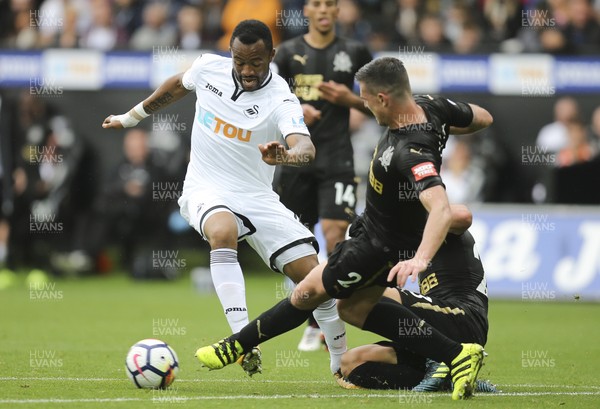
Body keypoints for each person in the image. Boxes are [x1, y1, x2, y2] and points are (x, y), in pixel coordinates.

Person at [195, 56, 494, 400]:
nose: (363, 106)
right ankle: (451, 355)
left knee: (308, 291)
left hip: (380, 245)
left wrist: (421, 260)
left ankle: (233, 347)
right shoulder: (432, 108)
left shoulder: (412, 151)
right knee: (351, 306)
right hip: (375, 234)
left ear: (384, 98)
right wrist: (439, 129)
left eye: (365, 99)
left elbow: (442, 209)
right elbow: (483, 117)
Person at [102, 19, 347, 377]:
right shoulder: (208, 68)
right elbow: (176, 85)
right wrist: (132, 116)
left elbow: (305, 147)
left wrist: (285, 156)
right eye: (240, 61)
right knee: (222, 230)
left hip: (258, 196)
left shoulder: (280, 97)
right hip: (206, 187)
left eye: (256, 62)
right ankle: (242, 341)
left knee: (313, 280)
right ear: (230, 54)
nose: (247, 70)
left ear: (271, 56)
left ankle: (341, 364)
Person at [272, 0, 372, 351]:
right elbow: (265, 103)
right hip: (297, 159)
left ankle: (319, 322)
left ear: (338, 11)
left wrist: (350, 99)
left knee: (334, 236)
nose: (324, 9)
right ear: (308, 11)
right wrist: (295, 111)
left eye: (330, 3)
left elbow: (382, 102)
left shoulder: (355, 51)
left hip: (337, 159)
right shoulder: (286, 53)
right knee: (299, 244)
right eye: (317, 3)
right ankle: (319, 310)